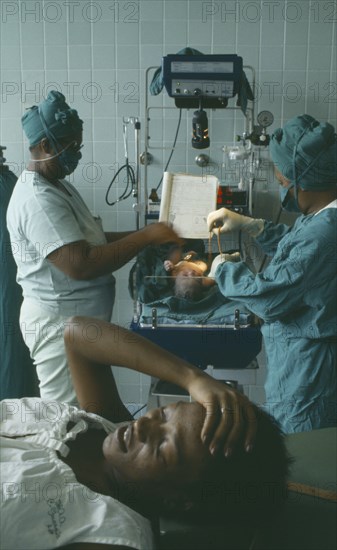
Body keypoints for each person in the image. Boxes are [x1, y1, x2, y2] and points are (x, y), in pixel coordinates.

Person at [1, 316, 290, 550]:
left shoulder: (110, 532)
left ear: (177, 499)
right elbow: (79, 333)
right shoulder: (104, 426)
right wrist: (193, 378)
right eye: (163, 414)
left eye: (163, 445)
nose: (142, 426)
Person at [6, 90, 181, 406]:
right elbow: (81, 263)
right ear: (45, 146)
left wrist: (150, 235)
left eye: (79, 145)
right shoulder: (37, 200)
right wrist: (147, 237)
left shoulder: (57, 184)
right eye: (72, 146)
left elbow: (92, 242)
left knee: (92, 412)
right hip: (57, 326)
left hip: (82, 327)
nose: (78, 154)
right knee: (70, 418)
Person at [207, 114, 337, 434]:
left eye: (282, 183)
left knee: (302, 457)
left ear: (302, 179)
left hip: (309, 375)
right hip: (301, 363)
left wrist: (223, 270)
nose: (283, 191)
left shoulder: (325, 233)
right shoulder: (323, 216)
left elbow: (270, 298)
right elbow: (297, 248)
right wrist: (254, 226)